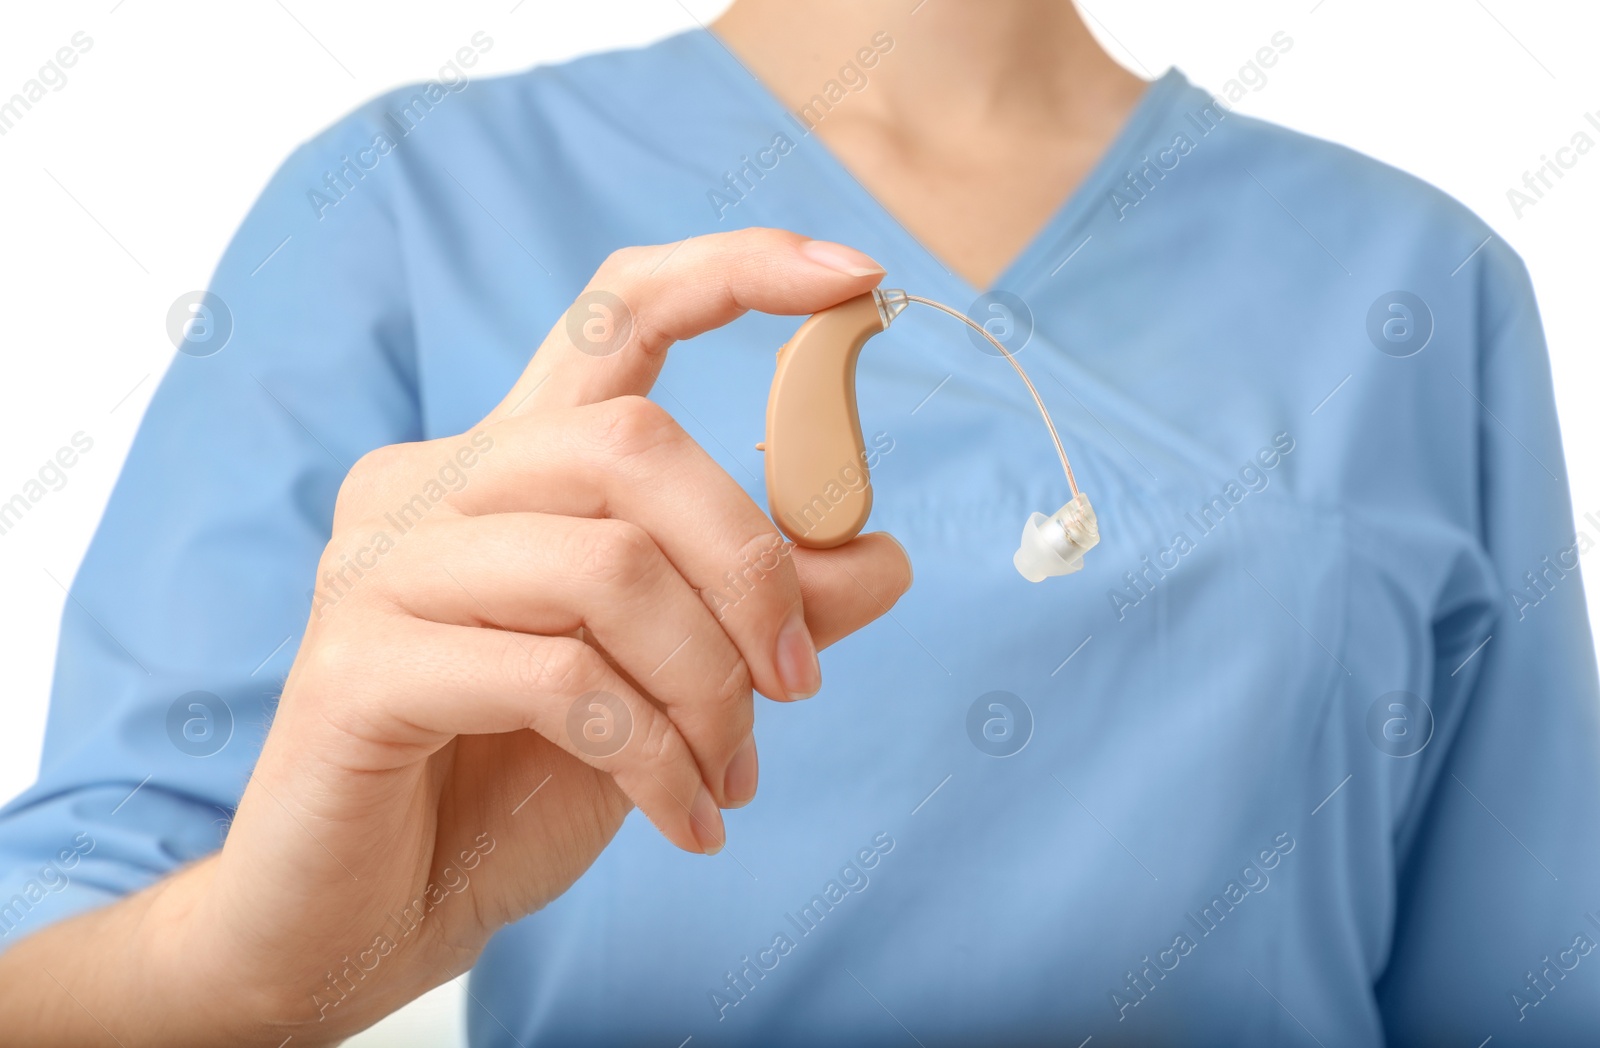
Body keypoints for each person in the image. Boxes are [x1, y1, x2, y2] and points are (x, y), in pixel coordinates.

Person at [2, 1, 1597, 1044]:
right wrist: (257, 976)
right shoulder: (410, 203)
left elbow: (1525, 991)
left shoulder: (1419, 287)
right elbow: (49, 945)